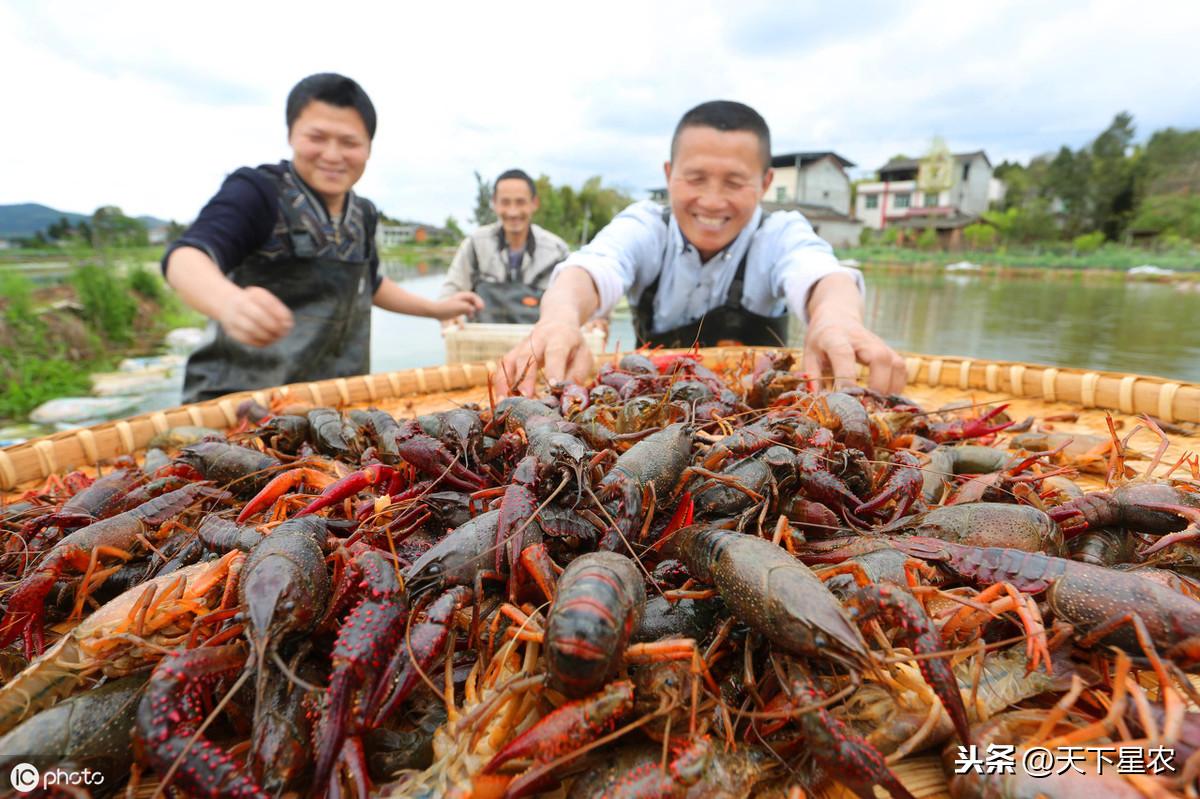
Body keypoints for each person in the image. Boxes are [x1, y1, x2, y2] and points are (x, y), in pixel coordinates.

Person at [496, 100, 906, 396]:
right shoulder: (646, 227)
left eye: (734, 182)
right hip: (652, 406)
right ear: (669, 174)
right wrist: (560, 318)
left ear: (764, 184)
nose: (712, 201)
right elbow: (589, 269)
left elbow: (823, 275)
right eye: (695, 179)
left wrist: (835, 319)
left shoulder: (779, 233)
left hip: (761, 416)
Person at [164, 73, 483, 403]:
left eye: (349, 142)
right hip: (239, 402)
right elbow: (186, 256)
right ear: (291, 134)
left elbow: (369, 284)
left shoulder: (363, 213)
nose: (332, 155)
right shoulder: (257, 192)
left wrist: (436, 309)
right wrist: (229, 302)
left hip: (332, 403)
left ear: (369, 148)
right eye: (317, 137)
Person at [439, 169, 570, 325]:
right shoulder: (476, 243)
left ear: (534, 203)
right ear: (494, 203)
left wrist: (594, 320)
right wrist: (449, 315)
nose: (513, 212)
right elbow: (449, 294)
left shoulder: (557, 251)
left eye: (520, 202)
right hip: (481, 343)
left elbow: (574, 302)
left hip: (539, 343)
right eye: (505, 202)